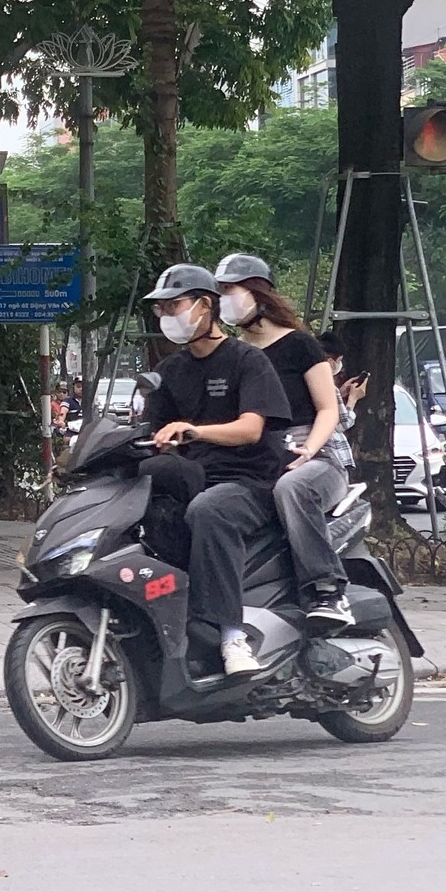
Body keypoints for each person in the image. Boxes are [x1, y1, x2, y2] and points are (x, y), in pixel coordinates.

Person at [137, 263, 293, 676]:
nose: (167, 316)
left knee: (209, 511)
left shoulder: (248, 360)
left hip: (249, 481)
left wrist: (193, 431)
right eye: (161, 310)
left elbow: (251, 429)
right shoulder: (171, 370)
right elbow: (151, 431)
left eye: (175, 305)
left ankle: (231, 635)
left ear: (206, 306)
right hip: (197, 479)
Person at [215, 253, 353, 627]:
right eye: (219, 292)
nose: (224, 299)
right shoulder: (231, 355)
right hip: (258, 462)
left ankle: (327, 591)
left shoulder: (300, 346)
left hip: (314, 458)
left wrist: (309, 450)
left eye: (231, 290)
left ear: (258, 293)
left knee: (292, 488)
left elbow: (329, 409)